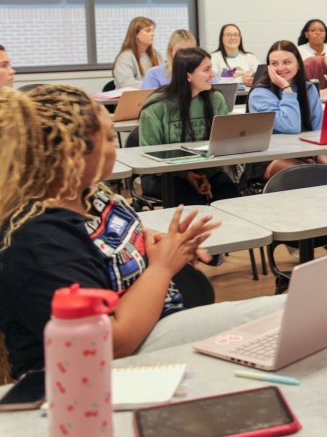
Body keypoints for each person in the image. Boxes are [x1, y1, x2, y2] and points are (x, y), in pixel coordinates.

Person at [0, 85, 282, 378]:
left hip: (153, 329)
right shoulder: (37, 241)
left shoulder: (92, 196)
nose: (116, 147)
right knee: (279, 316)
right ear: (73, 154)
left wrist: (165, 248)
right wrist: (162, 266)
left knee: (283, 318)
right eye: (109, 138)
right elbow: (111, 344)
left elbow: (112, 253)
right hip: (102, 371)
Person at [139, 48, 242, 205]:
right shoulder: (157, 105)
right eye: (206, 70)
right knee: (194, 202)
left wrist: (204, 175)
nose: (212, 74)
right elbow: (150, 154)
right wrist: (186, 174)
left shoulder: (216, 99)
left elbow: (222, 144)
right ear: (188, 75)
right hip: (164, 175)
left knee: (232, 200)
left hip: (207, 171)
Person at [249, 40, 327, 177]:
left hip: (303, 152)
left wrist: (318, 156)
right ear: (268, 67)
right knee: (312, 175)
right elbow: (291, 126)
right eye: (274, 64)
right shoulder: (260, 93)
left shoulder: (309, 89)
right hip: (267, 157)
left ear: (298, 64)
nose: (280, 68)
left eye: (287, 62)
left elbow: (317, 130)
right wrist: (286, 89)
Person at [113, 16, 161, 89]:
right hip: (132, 96)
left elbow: (163, 77)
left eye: (153, 30)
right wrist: (154, 84)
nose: (152, 34)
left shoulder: (156, 54)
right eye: (148, 31)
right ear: (136, 34)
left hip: (153, 95)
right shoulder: (125, 57)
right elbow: (127, 84)